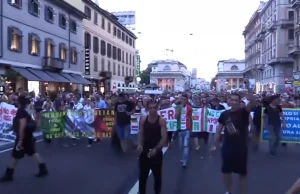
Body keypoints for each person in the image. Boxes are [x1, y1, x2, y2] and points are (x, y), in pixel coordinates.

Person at [210, 92, 256, 194]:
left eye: (236, 100)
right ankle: (228, 191)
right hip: (227, 147)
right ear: (228, 101)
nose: (234, 102)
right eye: (232, 99)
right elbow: (218, 130)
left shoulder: (244, 112)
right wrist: (213, 145)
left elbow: (252, 103)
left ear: (239, 102)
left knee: (242, 173)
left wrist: (250, 95)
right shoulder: (224, 114)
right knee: (226, 172)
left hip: (241, 148)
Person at [0, 95, 48, 182]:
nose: (14, 102)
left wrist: (20, 140)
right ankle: (43, 169)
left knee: (16, 154)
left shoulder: (21, 111)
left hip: (23, 136)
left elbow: (22, 125)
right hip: (27, 136)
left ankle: (9, 175)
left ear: (19, 102)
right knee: (32, 152)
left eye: (16, 100)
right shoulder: (26, 110)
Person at [137, 99, 167, 194]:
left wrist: (156, 149)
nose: (152, 110)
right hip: (145, 152)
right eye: (150, 108)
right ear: (147, 108)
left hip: (156, 153)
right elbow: (141, 134)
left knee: (157, 177)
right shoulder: (143, 119)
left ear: (157, 108)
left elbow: (164, 138)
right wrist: (140, 145)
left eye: (154, 108)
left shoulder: (161, 121)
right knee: (142, 177)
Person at [175, 93, 193, 168]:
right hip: (180, 129)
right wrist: (180, 108)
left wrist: (191, 129)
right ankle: (182, 158)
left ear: (187, 100)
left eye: (184, 99)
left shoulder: (189, 107)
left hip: (187, 129)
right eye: (181, 99)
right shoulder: (178, 107)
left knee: (186, 146)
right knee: (181, 146)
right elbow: (176, 117)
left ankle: (184, 161)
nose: (183, 100)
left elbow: (191, 118)